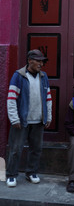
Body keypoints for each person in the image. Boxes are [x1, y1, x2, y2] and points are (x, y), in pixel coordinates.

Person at [6, 49, 52, 187]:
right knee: (15, 149)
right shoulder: (18, 76)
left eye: (42, 61)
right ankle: (11, 175)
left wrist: (48, 116)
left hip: (38, 120)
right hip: (21, 121)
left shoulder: (44, 77)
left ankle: (31, 172)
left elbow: (48, 98)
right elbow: (11, 99)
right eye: (38, 61)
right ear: (29, 60)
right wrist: (14, 119)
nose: (41, 64)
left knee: (36, 149)